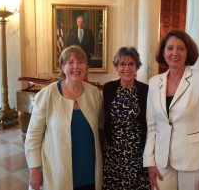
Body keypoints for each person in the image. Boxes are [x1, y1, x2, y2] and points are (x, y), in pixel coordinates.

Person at [143, 29, 199, 190]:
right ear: (163, 53)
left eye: (180, 48)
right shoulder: (155, 82)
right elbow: (151, 126)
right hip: (162, 160)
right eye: (170, 48)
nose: (174, 53)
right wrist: (149, 161)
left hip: (193, 161)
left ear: (188, 52)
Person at [25, 45, 104, 190]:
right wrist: (34, 169)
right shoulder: (47, 94)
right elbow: (33, 135)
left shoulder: (94, 93)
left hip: (88, 172)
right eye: (70, 62)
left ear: (86, 67)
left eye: (80, 62)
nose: (76, 66)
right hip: (58, 172)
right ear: (62, 67)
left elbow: (103, 125)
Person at [102, 46, 150, 190]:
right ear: (116, 67)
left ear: (137, 67)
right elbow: (104, 117)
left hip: (137, 153)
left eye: (131, 64)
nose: (126, 68)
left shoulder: (145, 90)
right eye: (122, 64)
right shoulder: (108, 88)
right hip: (113, 153)